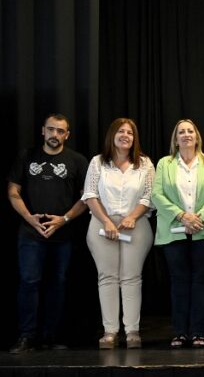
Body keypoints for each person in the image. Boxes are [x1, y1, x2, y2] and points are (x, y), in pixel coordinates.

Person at [7, 113, 88, 353]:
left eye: (60, 131)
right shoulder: (26, 156)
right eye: (51, 130)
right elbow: (13, 191)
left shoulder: (77, 160)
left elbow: (86, 198)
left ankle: (50, 336)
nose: (55, 135)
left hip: (62, 234)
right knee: (29, 282)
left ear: (67, 134)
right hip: (30, 233)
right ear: (43, 131)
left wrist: (63, 220)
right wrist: (28, 218)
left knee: (58, 284)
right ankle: (27, 336)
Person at [82, 118, 155, 349]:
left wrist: (132, 216)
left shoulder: (144, 163)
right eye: (121, 131)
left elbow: (148, 196)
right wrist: (106, 221)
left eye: (130, 132)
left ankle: (132, 330)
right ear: (112, 135)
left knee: (132, 277)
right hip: (102, 225)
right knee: (107, 277)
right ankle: (110, 332)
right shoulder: (97, 162)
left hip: (136, 224)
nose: (125, 135)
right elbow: (90, 195)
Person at [152, 119, 204, 348]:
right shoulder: (165, 164)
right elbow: (157, 195)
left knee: (201, 282)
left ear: (197, 136)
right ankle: (180, 332)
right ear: (175, 138)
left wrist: (198, 217)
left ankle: (199, 332)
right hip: (174, 231)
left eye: (190, 131)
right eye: (181, 132)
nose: (186, 135)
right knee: (179, 282)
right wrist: (183, 216)